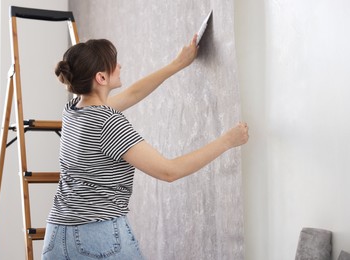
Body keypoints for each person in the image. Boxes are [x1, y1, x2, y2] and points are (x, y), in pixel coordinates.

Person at [42, 34, 249, 260]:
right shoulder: (108, 122)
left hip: (57, 235)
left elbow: (132, 94)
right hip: (97, 236)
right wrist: (227, 141)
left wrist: (177, 64)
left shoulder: (73, 111)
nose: (119, 66)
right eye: (114, 63)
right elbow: (169, 171)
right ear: (101, 77)